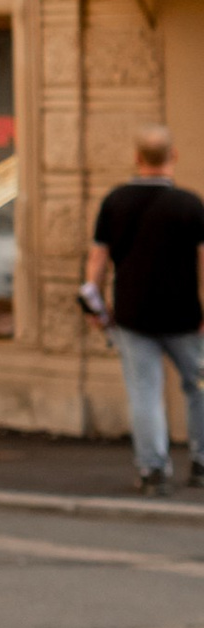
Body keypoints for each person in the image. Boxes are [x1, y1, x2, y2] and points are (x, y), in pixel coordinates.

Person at [86, 125, 204, 495]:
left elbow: (96, 263)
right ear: (174, 158)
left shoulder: (114, 202)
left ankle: (153, 470)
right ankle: (201, 462)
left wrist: (96, 307)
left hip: (133, 314)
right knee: (199, 387)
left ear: (137, 159)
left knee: (144, 392)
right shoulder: (190, 205)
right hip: (185, 315)